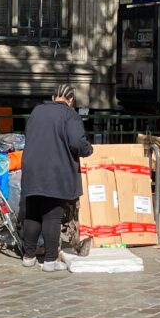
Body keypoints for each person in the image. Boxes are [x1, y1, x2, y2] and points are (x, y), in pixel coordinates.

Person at [20, 84, 93, 272]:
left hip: (32, 168)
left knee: (33, 212)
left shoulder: (36, 112)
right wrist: (88, 149)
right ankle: (50, 261)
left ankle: (28, 256)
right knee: (52, 215)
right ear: (70, 100)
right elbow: (77, 142)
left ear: (53, 97)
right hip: (55, 171)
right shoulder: (70, 115)